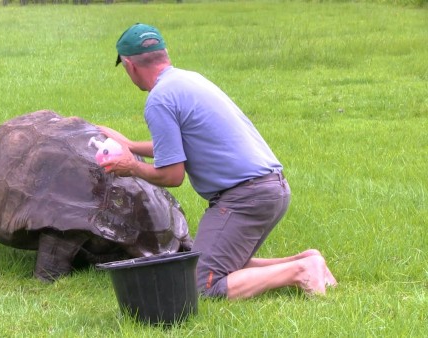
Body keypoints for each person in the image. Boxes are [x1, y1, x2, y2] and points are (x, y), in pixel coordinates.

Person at [98, 23, 337, 299]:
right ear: (165, 54)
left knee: (203, 284)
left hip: (245, 197)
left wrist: (131, 167)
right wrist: (129, 145)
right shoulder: (188, 80)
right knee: (217, 264)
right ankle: (307, 260)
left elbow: (172, 176)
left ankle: (302, 271)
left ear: (129, 65)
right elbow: (177, 145)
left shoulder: (159, 100)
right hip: (271, 189)